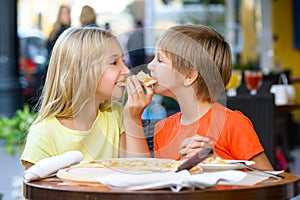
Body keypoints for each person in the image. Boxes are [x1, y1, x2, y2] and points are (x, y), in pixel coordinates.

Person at [20, 27, 152, 170]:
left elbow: (141, 174)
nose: (126, 70)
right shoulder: (44, 133)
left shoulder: (115, 115)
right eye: (114, 63)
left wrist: (133, 118)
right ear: (82, 71)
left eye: (123, 61)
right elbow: (37, 190)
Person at [145, 24, 273, 170]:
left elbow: (271, 181)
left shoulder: (232, 124)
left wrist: (217, 162)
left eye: (160, 60)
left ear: (189, 75)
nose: (150, 65)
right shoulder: (162, 129)